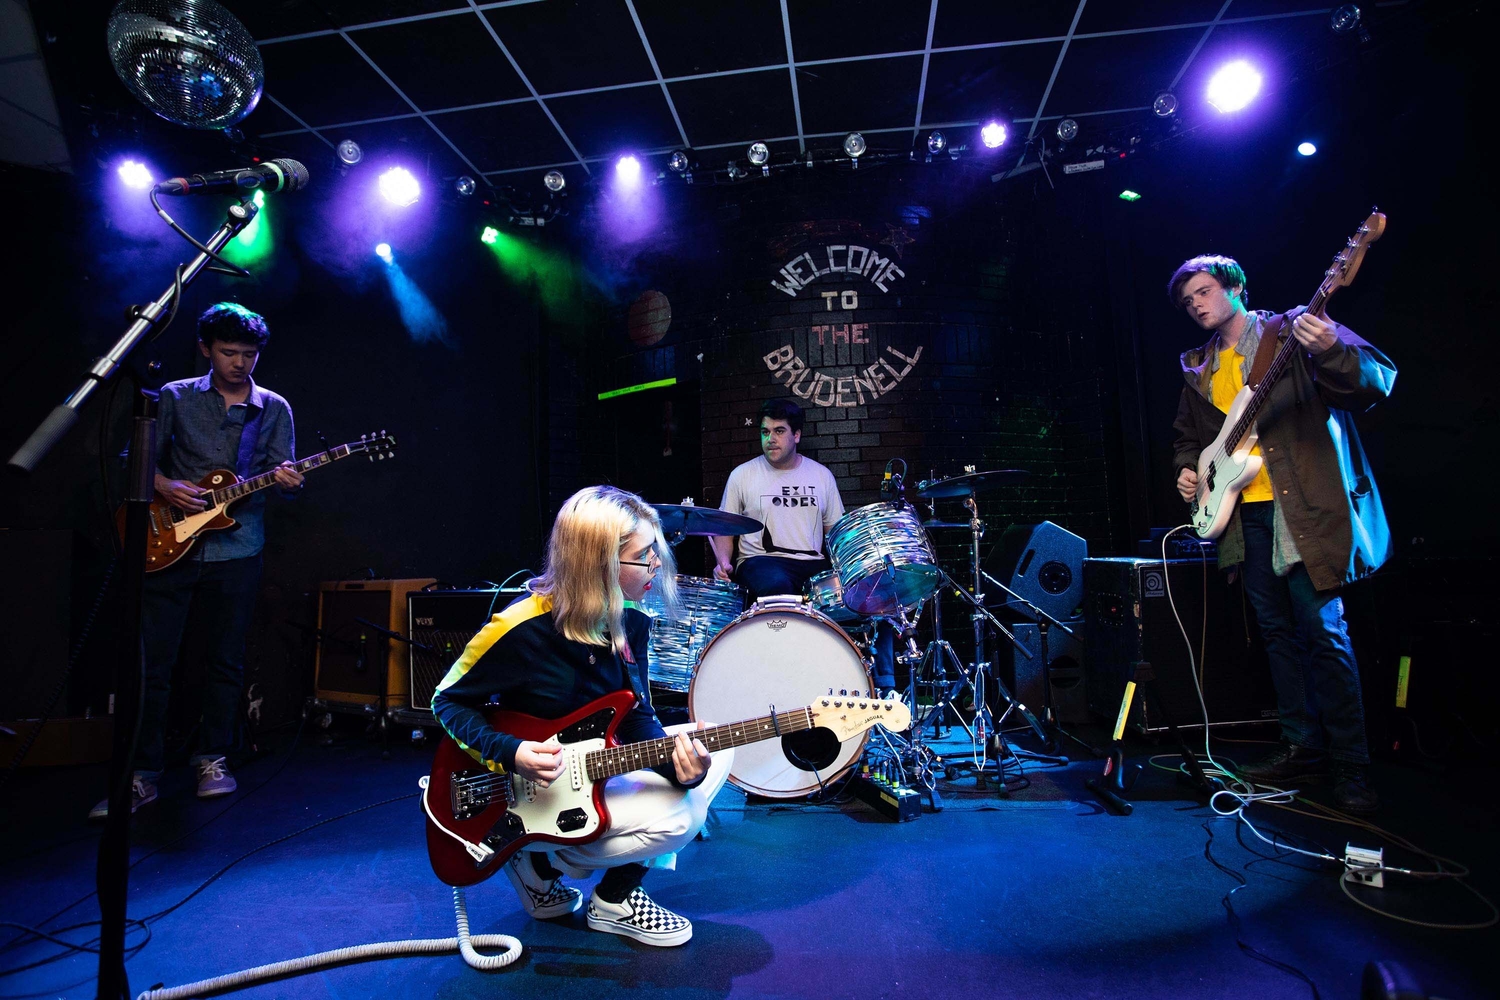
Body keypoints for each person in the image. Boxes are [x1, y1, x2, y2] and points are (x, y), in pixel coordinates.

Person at [431, 486, 732, 947]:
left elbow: (634, 717)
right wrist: (510, 753)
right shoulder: (520, 627)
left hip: (591, 771)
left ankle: (580, 884)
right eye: (644, 557)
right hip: (524, 794)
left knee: (713, 750)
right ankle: (556, 867)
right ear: (599, 565)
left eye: (656, 553)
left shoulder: (628, 621)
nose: (656, 566)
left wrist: (679, 769)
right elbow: (446, 700)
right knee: (680, 820)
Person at [1168, 255, 1395, 813]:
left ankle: (1351, 766)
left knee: (1324, 633)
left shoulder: (1291, 331)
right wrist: (1189, 469)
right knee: (1275, 636)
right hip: (1244, 518)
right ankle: (1301, 747)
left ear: (1236, 287)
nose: (1196, 303)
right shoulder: (1198, 365)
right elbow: (1189, 436)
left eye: (1203, 291)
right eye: (1187, 299)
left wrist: (1329, 350)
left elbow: (1376, 380)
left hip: (1305, 510)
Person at [90, 303, 303, 819]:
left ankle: (213, 759)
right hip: (168, 546)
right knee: (154, 663)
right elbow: (129, 463)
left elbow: (282, 478)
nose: (240, 364)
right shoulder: (174, 397)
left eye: (249, 354)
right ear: (207, 348)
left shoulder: (273, 407)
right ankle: (141, 775)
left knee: (224, 661)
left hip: (238, 547)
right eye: (229, 352)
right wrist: (164, 485)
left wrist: (290, 482)